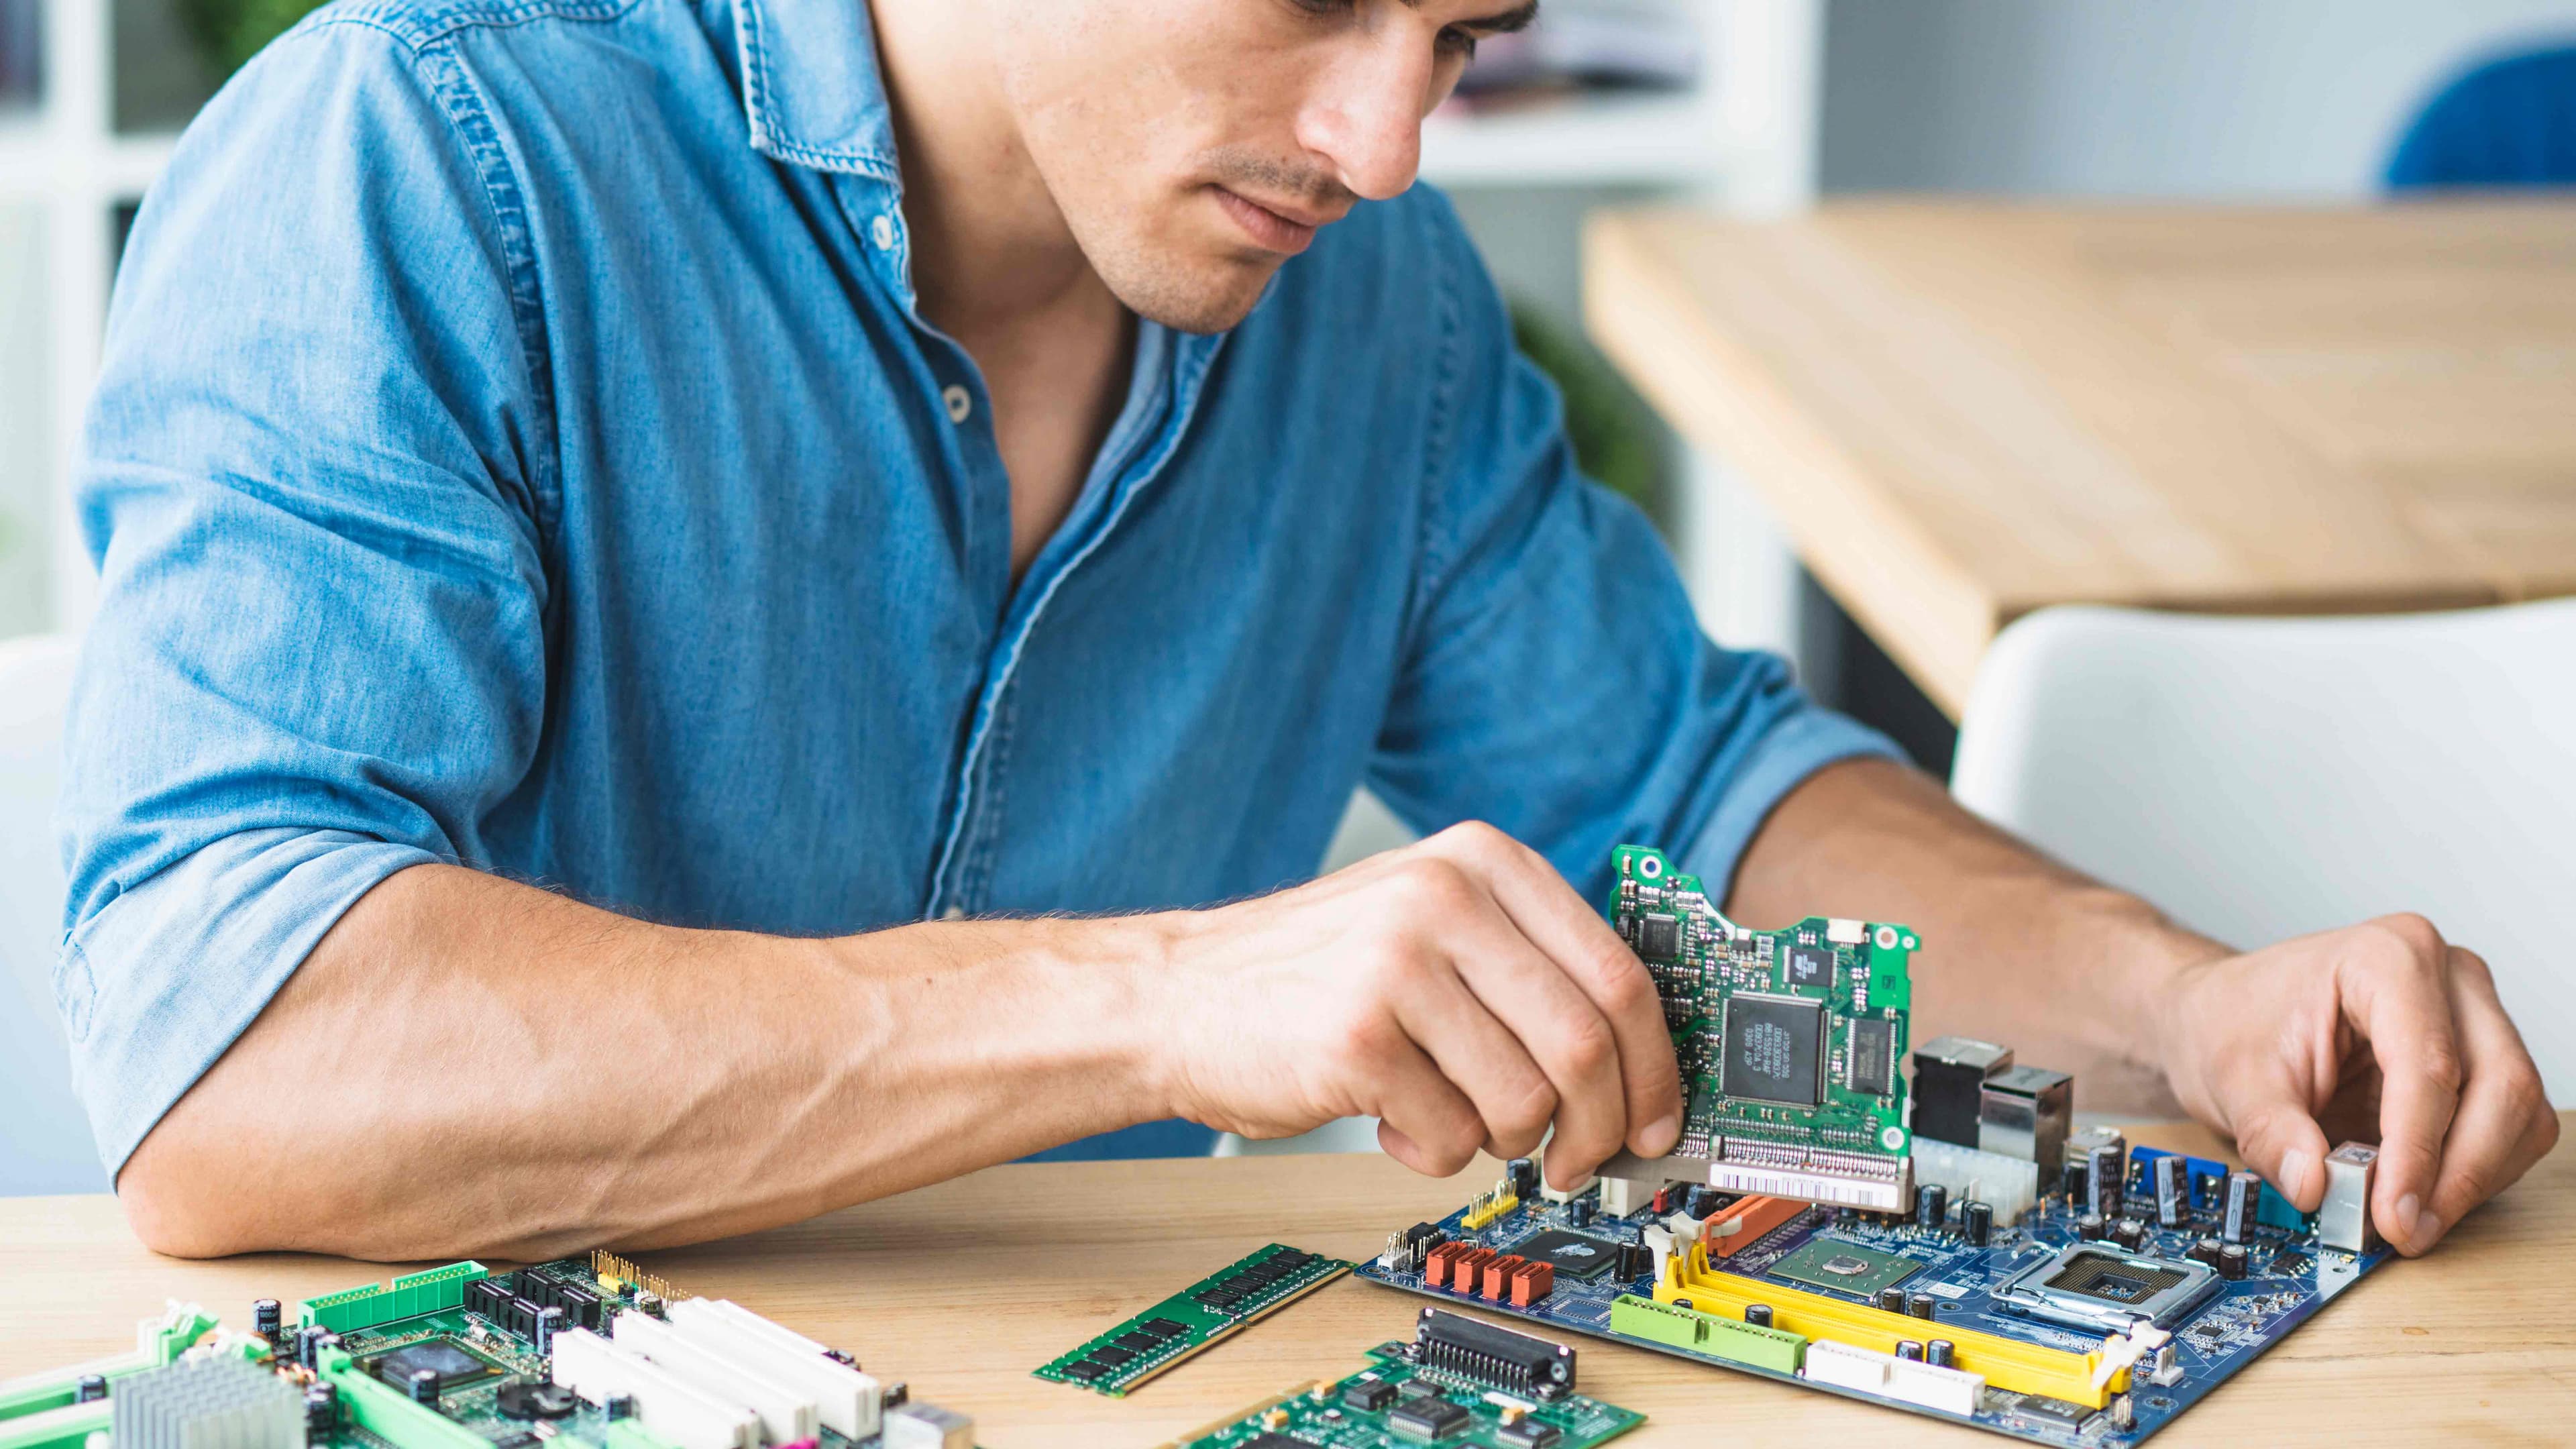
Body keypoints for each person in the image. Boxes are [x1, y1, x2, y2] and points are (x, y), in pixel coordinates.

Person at [64, 0, 2553, 1262]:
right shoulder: (421, 155)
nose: (1382, 147)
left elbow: (1700, 807)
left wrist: (2176, 995)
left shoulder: (1389, 317)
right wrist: (1157, 992)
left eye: (1463, 42)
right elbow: (229, 1065)